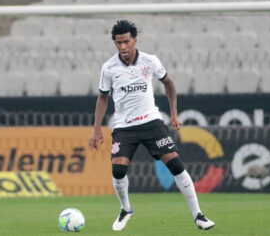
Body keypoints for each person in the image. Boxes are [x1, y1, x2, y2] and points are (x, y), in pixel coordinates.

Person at [89, 20, 215, 231]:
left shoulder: (150, 61)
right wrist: (96, 128)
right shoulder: (109, 67)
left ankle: (198, 215)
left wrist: (174, 113)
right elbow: (102, 98)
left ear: (135, 40)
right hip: (124, 126)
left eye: (126, 42)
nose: (122, 47)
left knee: (175, 164)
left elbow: (169, 84)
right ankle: (125, 209)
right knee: (118, 170)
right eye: (118, 43)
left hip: (151, 123)